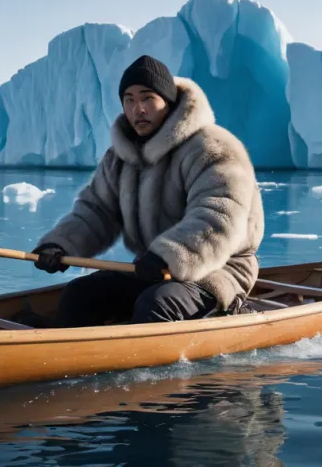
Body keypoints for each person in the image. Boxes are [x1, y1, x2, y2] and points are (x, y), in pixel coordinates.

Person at [31, 54, 264, 327]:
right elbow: (96, 211)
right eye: (129, 100)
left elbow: (218, 216)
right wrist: (60, 243)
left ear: (168, 101)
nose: (137, 109)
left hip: (218, 272)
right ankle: (65, 361)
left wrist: (169, 254)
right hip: (155, 270)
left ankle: (156, 361)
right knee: (80, 294)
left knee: (157, 305)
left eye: (147, 98)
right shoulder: (120, 157)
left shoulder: (212, 148)